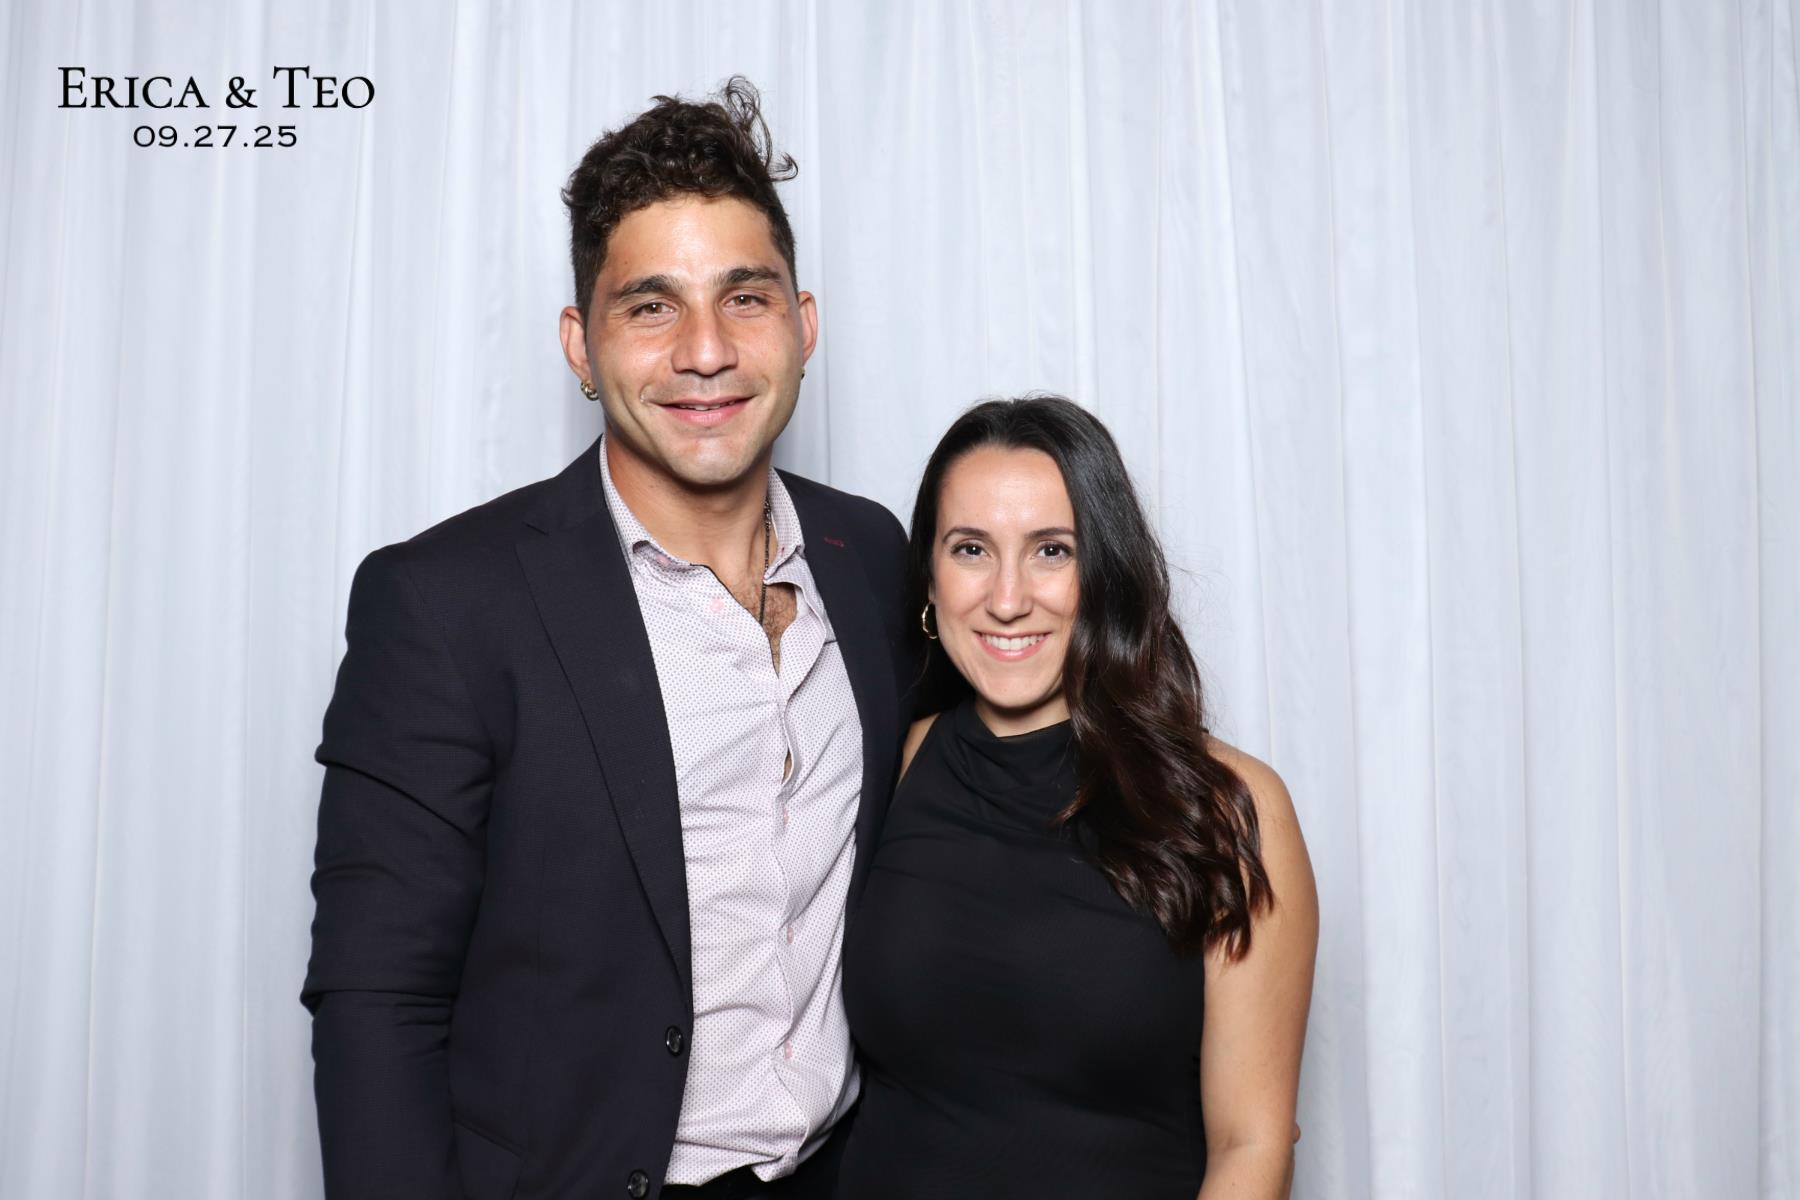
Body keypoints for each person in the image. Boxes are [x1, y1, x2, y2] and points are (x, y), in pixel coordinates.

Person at [301, 79, 913, 1200]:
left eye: (745, 299)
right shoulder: (443, 605)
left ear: (803, 324)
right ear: (581, 346)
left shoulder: (869, 555)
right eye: (650, 307)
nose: (706, 352)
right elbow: (377, 1000)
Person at [837, 395, 1319, 1199]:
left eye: (1052, 551)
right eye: (971, 549)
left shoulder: (1231, 808)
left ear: (1105, 575)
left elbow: (1251, 1145)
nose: (1007, 598)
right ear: (929, 578)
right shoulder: (891, 760)